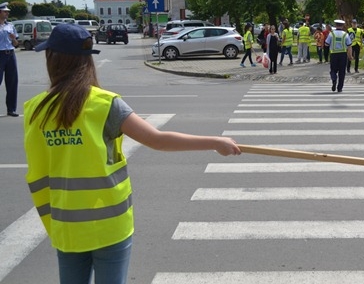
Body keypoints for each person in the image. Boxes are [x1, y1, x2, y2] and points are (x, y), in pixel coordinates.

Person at [23, 24, 241, 284]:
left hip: (65, 225)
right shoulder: (104, 104)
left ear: (52, 59)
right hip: (110, 225)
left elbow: (39, 171)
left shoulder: (35, 110)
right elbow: (157, 140)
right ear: (87, 61)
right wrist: (215, 142)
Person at [0, 1, 19, 117]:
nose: (7, 13)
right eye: (5, 12)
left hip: (11, 54)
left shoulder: (10, 25)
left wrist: (14, 39)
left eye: (7, 12)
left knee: (12, 82)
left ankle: (11, 109)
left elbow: (16, 44)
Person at [325, 19, 353, 93]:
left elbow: (326, 44)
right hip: (343, 55)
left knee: (333, 70)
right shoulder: (345, 34)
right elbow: (349, 46)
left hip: (333, 54)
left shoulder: (331, 34)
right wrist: (350, 56)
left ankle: (334, 79)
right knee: (342, 72)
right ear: (342, 26)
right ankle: (339, 88)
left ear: (336, 25)